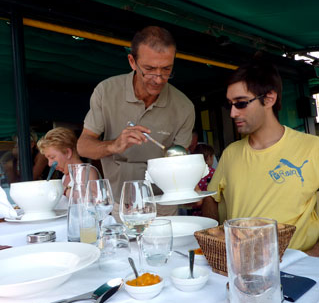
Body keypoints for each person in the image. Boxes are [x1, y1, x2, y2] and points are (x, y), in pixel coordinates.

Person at [77, 26, 195, 220]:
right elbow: (83, 146)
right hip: (120, 204)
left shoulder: (184, 107)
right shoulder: (106, 92)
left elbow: (180, 160)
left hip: (163, 205)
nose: (158, 79)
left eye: (166, 70)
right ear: (132, 62)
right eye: (149, 69)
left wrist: (189, 181)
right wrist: (114, 145)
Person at [202, 58, 319, 252]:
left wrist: (312, 256)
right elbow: (211, 198)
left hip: (297, 266)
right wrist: (214, 239)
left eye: (240, 103)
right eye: (229, 104)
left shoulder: (312, 148)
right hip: (241, 265)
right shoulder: (231, 153)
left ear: (269, 98)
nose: (232, 113)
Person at [38, 127, 84, 198]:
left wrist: (63, 190)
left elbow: (90, 198)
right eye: (48, 159)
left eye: (52, 157)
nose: (49, 164)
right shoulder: (65, 177)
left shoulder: (86, 171)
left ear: (68, 153)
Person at [190, 143, 215, 216]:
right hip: (208, 208)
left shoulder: (191, 173)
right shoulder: (212, 172)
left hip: (193, 210)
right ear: (209, 157)